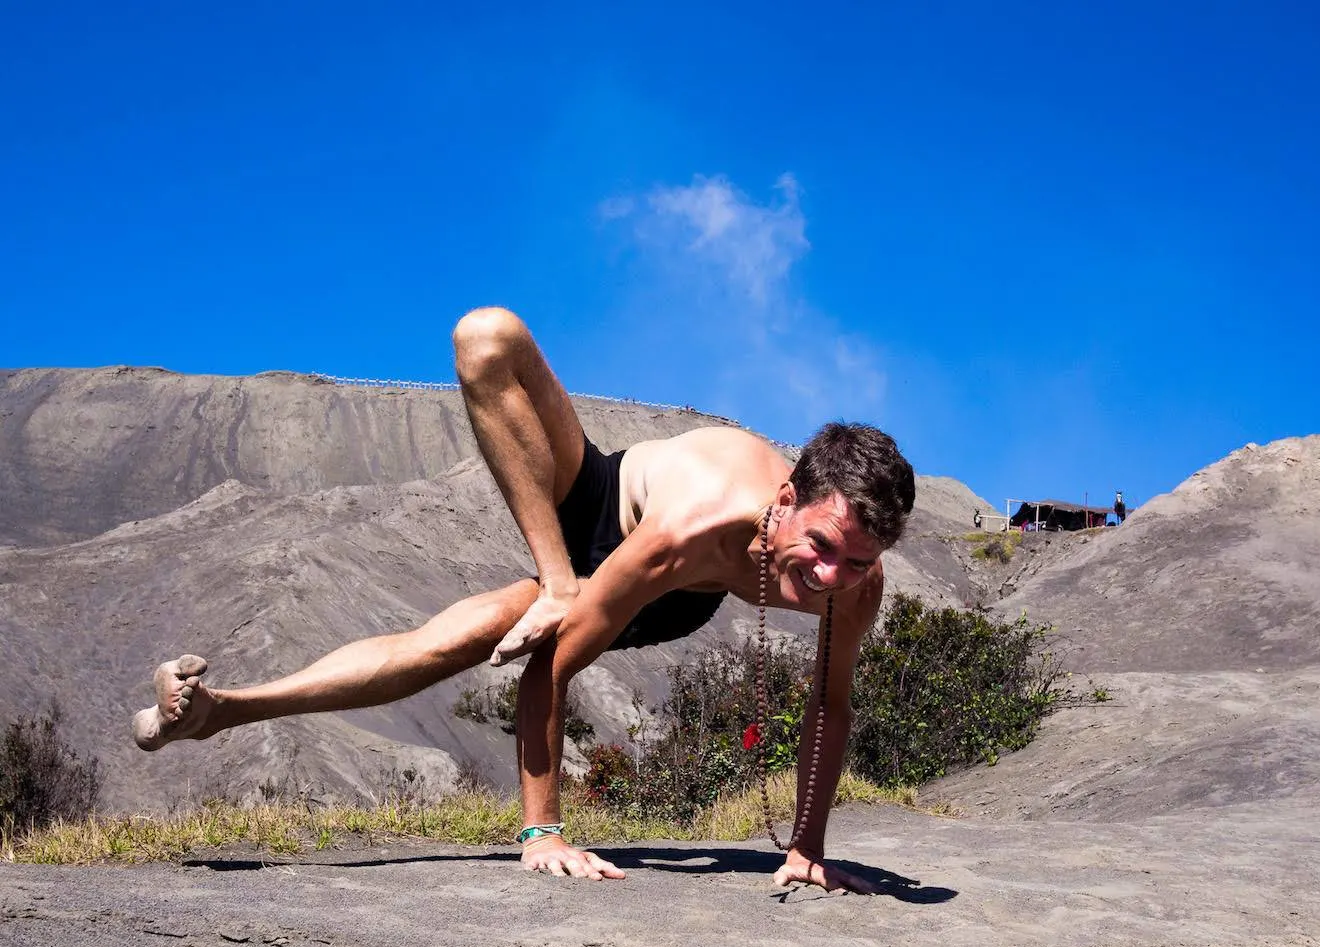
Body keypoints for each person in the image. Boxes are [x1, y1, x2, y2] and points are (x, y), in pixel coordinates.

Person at [132, 307, 915, 893]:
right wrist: (542, 832)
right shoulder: (689, 524)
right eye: (819, 546)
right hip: (602, 509)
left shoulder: (857, 586)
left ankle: (218, 711)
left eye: (856, 560)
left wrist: (807, 847)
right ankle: (221, 711)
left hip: (675, 595)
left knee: (462, 634)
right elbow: (551, 668)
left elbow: (829, 706)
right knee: (487, 335)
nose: (828, 576)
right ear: (786, 499)